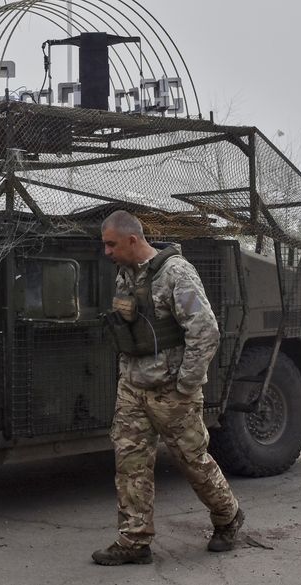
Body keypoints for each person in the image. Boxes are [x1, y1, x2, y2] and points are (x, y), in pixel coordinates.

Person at [92, 210, 244, 566]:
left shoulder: (177, 274)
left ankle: (228, 516)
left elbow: (205, 332)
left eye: (111, 244)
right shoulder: (125, 275)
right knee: (130, 464)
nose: (107, 252)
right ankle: (134, 540)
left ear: (133, 240)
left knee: (193, 462)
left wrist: (186, 385)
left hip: (171, 391)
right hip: (132, 387)